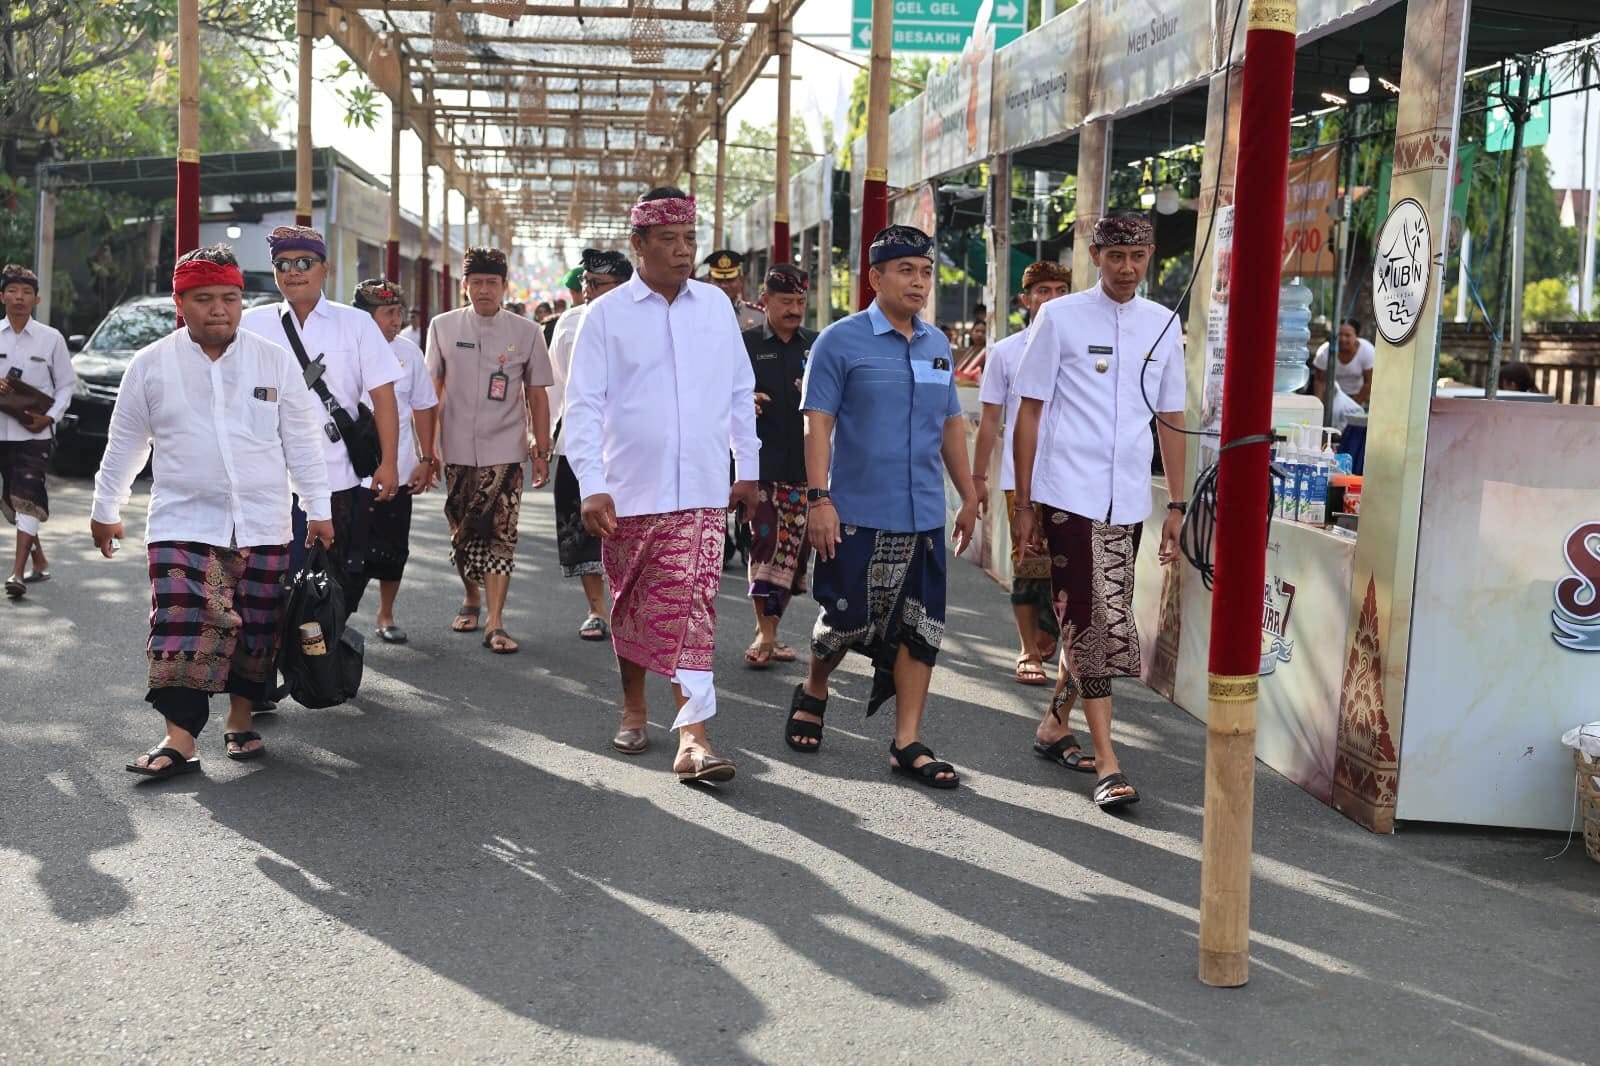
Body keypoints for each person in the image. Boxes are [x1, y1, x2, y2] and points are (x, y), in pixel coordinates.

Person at [91, 244, 333, 778]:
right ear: (182, 303)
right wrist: (106, 507)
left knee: (256, 627)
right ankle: (180, 740)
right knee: (181, 628)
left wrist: (319, 507)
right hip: (182, 520)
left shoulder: (273, 360)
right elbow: (126, 444)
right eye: (204, 299)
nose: (219, 309)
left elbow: (302, 442)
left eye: (230, 298)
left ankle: (239, 719)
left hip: (265, 521)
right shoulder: (150, 365)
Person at [564, 187, 759, 783]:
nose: (683, 251)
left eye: (690, 239)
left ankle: (694, 737)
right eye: (669, 240)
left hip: (700, 489)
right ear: (639, 244)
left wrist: (746, 467)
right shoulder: (606, 315)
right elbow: (583, 406)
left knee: (692, 606)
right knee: (631, 604)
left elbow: (736, 391)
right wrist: (591, 484)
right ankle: (634, 706)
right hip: (627, 493)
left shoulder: (714, 308)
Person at [786, 225, 980, 790]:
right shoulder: (841, 342)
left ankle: (906, 741)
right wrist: (818, 499)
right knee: (843, 622)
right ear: (875, 277)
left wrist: (968, 496)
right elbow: (817, 425)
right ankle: (815, 688)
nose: (919, 282)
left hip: (923, 515)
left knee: (923, 628)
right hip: (856, 512)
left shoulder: (938, 345)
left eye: (925, 272)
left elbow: (950, 427)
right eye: (906, 271)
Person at [1011, 212, 1188, 811]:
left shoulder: (1164, 323)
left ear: (1151, 256)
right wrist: (1026, 501)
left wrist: (1178, 503)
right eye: (1116, 256)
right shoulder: (1057, 316)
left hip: (1129, 499)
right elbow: (1028, 411)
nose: (1128, 268)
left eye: (1138, 256)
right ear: (1095, 255)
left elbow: (1171, 418)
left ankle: (1055, 723)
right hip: (1068, 496)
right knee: (1093, 622)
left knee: (1100, 614)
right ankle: (1108, 761)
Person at [239, 225, 401, 621]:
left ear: (325, 269)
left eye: (304, 263)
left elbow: (383, 396)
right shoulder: (251, 323)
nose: (293, 271)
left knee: (334, 584)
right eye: (283, 264)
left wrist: (390, 462)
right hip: (271, 480)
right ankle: (278, 665)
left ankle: (320, 667)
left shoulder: (355, 324)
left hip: (338, 479)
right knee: (274, 583)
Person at [426, 247, 553, 655]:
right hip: (456, 447)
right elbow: (432, 390)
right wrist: (426, 450)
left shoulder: (526, 332)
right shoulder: (442, 327)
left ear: (503, 287)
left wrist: (541, 446)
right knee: (462, 531)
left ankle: (496, 621)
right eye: (476, 282)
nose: (484, 290)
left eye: (491, 283)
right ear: (464, 286)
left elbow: (537, 394)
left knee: (501, 531)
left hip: (506, 448)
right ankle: (472, 596)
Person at [970, 260, 1071, 687]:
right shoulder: (1007, 352)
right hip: (1022, 479)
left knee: (1069, 567)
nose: (1050, 299)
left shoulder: (1081, 348)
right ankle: (1028, 648)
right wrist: (977, 481)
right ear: (1025, 300)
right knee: (1028, 564)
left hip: (1074, 479)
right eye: (1042, 291)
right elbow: (990, 420)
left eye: (1059, 290)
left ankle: (1066, 649)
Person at [350, 279, 440, 644]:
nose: (396, 320)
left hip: (398, 472)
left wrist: (427, 458)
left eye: (398, 313)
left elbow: (423, 405)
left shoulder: (408, 352)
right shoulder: (341, 352)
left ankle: (385, 614)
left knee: (393, 549)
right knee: (344, 552)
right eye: (388, 314)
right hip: (346, 477)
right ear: (365, 318)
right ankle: (336, 614)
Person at [548, 247, 630, 641]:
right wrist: (541, 438)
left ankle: (627, 604)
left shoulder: (643, 322)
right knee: (582, 529)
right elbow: (556, 387)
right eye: (586, 283)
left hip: (628, 449)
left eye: (597, 284)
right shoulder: (568, 323)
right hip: (578, 445)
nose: (588, 292)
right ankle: (597, 608)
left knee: (629, 528)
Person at [741, 263, 818, 669]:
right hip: (762, 464)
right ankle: (764, 633)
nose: (794, 309)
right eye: (786, 301)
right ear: (765, 300)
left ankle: (771, 629)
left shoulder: (817, 345)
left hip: (807, 468)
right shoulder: (746, 343)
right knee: (766, 543)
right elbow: (721, 394)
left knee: (795, 553)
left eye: (800, 301)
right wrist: (745, 400)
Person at [0, 264, 74, 600]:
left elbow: (66, 385)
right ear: (2, 296)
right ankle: (39, 559)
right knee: (13, 501)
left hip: (34, 434)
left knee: (27, 496)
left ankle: (17, 573)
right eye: (13, 291)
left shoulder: (51, 338)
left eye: (26, 292)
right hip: (2, 433)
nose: (19, 298)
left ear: (37, 299)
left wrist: (50, 418)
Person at [1311, 318, 1374, 406]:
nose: (1342, 339)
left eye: (1347, 335)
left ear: (1356, 336)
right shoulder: (1324, 352)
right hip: (1331, 396)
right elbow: (1319, 380)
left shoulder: (1367, 351)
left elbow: (1368, 382)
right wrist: (1319, 405)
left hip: (1356, 395)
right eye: (1339, 334)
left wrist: (1354, 406)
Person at [704, 249, 765, 331]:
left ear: (741, 280)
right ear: (708, 282)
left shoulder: (758, 316)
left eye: (730, 280)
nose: (724, 285)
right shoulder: (698, 315)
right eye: (718, 281)